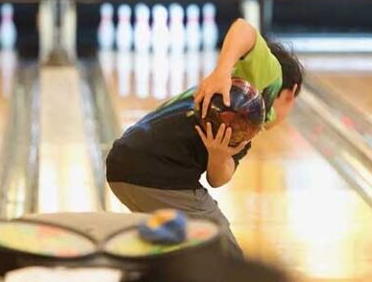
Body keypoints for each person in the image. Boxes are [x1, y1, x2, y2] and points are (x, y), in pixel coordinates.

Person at [105, 18, 304, 259]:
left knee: (176, 258)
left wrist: (218, 155)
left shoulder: (246, 119)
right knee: (227, 259)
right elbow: (243, 27)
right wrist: (221, 71)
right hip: (157, 171)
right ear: (292, 93)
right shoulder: (267, 78)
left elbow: (218, 179)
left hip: (127, 165)